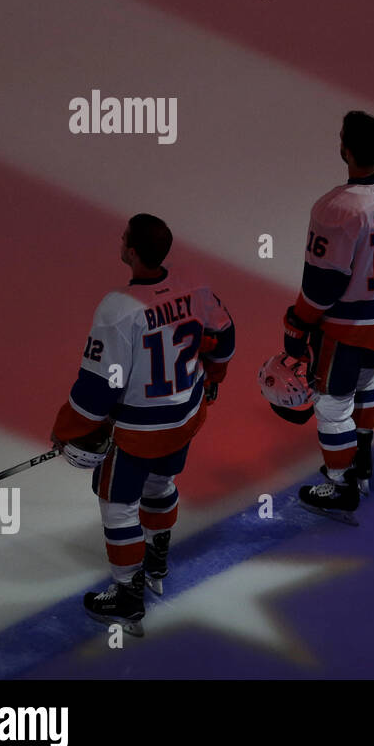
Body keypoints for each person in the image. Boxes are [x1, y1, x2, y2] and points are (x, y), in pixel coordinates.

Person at [52, 213, 235, 636]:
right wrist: (213, 377)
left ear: (131, 252)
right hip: (185, 418)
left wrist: (67, 430)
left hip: (138, 430)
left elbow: (98, 388)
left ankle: (127, 594)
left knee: (117, 505)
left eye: (123, 238)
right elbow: (225, 336)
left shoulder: (117, 309)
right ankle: (157, 556)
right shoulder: (195, 287)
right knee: (161, 485)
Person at [280, 111, 374, 521]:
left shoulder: (337, 208)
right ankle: (362, 458)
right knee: (366, 381)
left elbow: (321, 288)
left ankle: (341, 484)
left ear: (345, 150)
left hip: (353, 323)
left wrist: (297, 324)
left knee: (332, 403)